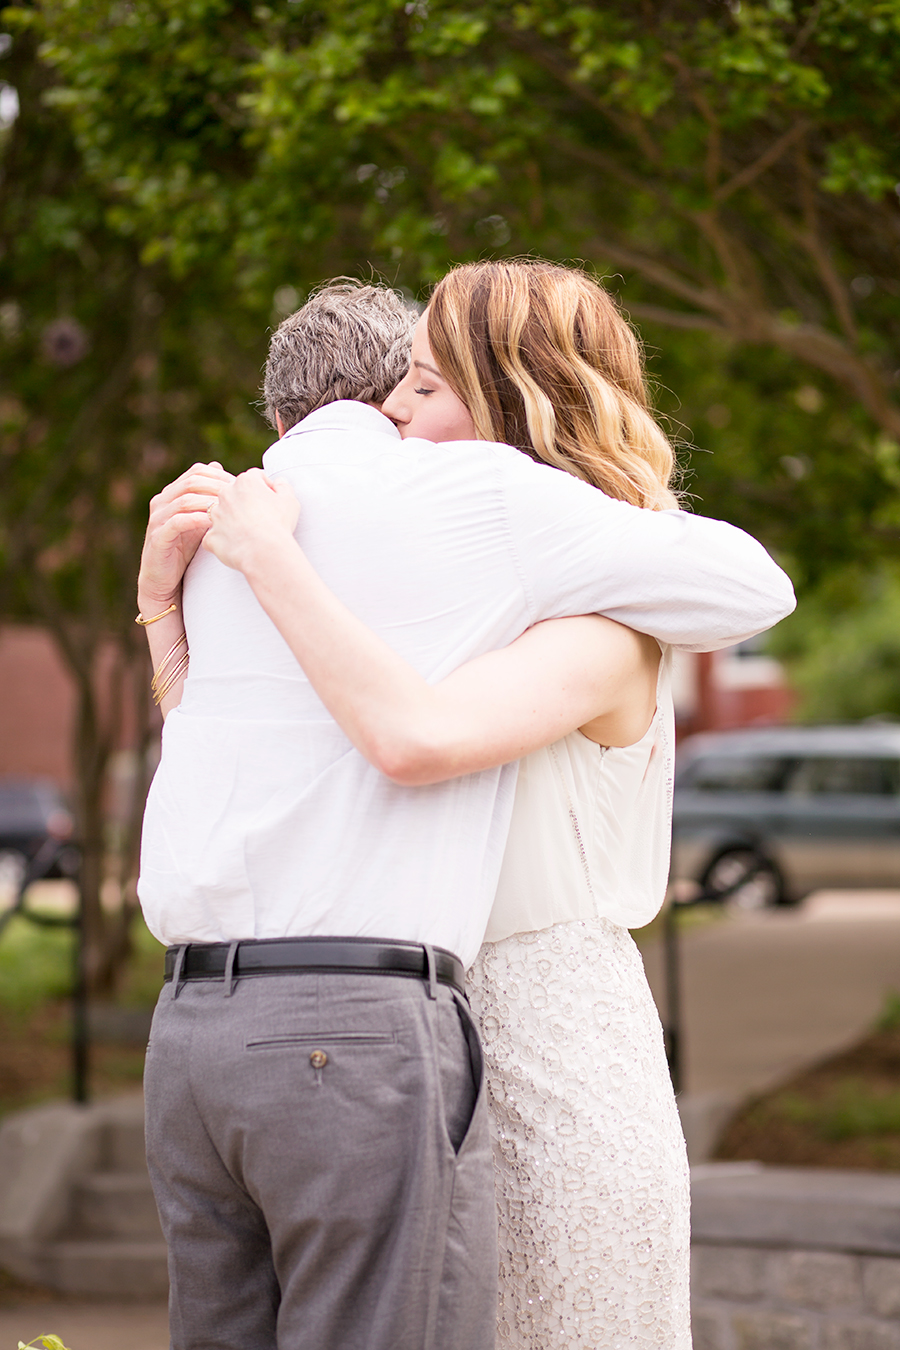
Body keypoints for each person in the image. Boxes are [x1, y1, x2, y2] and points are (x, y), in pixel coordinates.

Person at [137, 272, 794, 1350]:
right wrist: (168, 610)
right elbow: (254, 770)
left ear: (510, 406)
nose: (392, 409)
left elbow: (415, 739)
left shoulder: (598, 620)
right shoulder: (447, 595)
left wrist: (270, 560)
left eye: (424, 386)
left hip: (538, 1051)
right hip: (411, 1031)